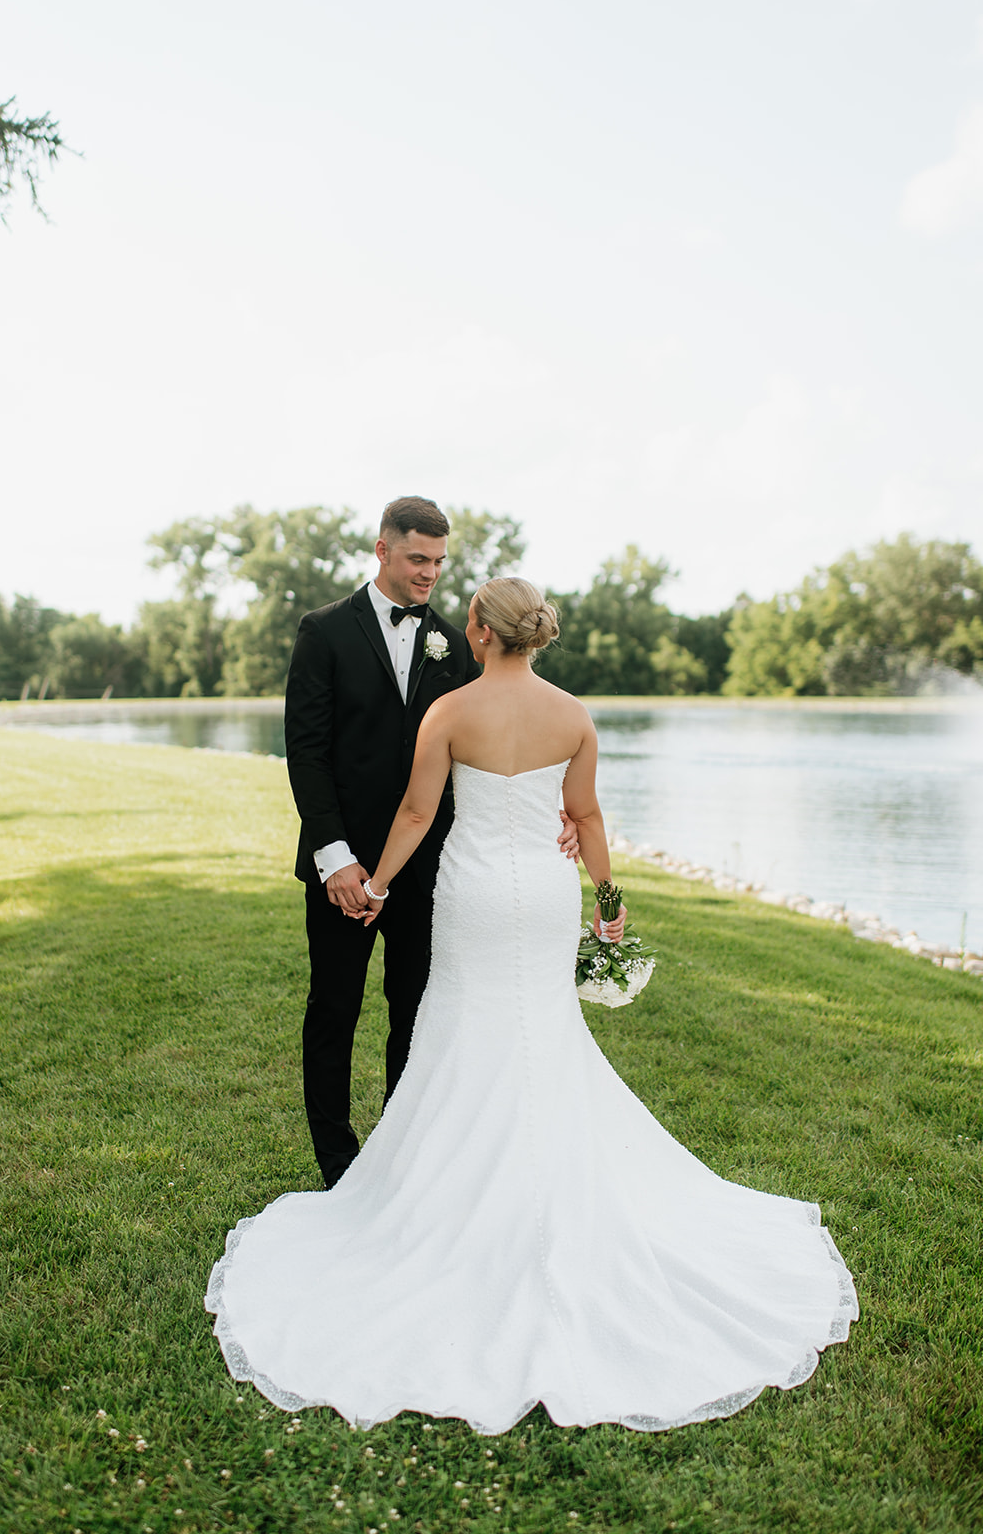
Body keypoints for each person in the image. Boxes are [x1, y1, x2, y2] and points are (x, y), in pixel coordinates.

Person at [208, 576, 857, 1434]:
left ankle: (447, 1203)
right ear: (534, 635)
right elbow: (584, 815)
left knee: (463, 1031)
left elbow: (415, 809)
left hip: (473, 892)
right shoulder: (574, 716)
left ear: (476, 630)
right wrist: (608, 897)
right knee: (543, 1035)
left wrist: (381, 882)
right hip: (546, 897)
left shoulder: (450, 714)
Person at [283, 497, 578, 1188]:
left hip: (430, 872)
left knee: (416, 1012)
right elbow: (305, 750)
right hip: (343, 868)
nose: (429, 575)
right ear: (382, 549)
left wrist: (557, 811)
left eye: (440, 563)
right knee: (334, 1010)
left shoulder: (457, 641)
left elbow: (497, 741)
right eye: (418, 559)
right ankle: (337, 1163)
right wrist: (337, 859)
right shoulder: (322, 631)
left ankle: (400, 1154)